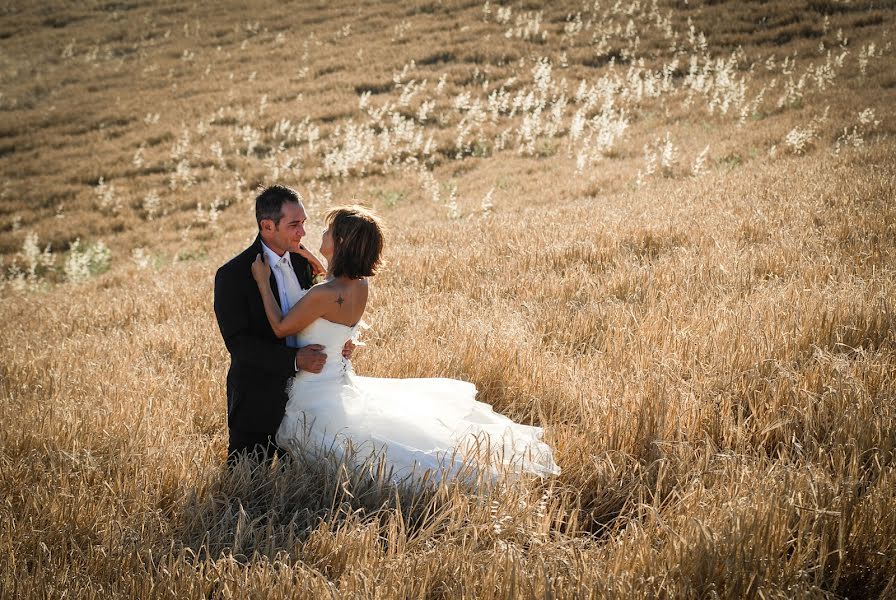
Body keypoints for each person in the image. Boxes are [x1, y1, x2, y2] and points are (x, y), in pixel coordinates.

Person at [249, 204, 560, 482]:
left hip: (316, 393)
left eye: (330, 230)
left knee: (368, 458)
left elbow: (279, 327)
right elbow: (338, 320)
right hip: (337, 378)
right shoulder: (358, 286)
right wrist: (317, 262)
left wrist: (262, 283)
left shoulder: (324, 294)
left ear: (341, 242)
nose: (322, 232)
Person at [213, 185, 355, 465]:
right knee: (251, 487)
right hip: (258, 402)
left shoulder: (304, 263)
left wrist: (338, 341)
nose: (302, 232)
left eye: (303, 223)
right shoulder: (233, 275)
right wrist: (294, 359)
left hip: (312, 398)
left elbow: (319, 312)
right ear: (267, 226)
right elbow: (239, 345)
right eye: (294, 225)